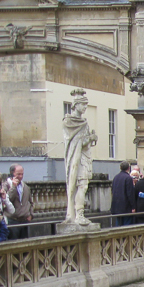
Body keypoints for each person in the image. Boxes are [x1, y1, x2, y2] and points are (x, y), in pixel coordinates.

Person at [62, 88, 97, 226]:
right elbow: (77, 143)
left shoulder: (84, 122)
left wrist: (90, 139)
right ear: (76, 105)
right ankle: (79, 215)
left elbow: (85, 143)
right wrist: (90, 138)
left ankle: (78, 214)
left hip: (84, 157)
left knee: (83, 186)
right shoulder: (68, 122)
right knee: (80, 186)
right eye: (83, 104)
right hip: (76, 158)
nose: (85, 107)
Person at [5, 165, 32, 239]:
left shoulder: (25, 187)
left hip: (24, 220)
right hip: (13, 220)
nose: (21, 176)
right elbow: (8, 199)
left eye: (22, 174)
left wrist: (31, 214)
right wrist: (13, 187)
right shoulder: (6, 185)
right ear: (12, 173)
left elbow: (30, 202)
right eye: (18, 174)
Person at [111, 161, 138, 226]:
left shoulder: (115, 177)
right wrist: (133, 206)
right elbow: (130, 193)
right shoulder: (128, 178)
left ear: (120, 167)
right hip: (126, 207)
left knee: (118, 225)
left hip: (116, 206)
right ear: (129, 168)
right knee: (127, 225)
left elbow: (113, 190)